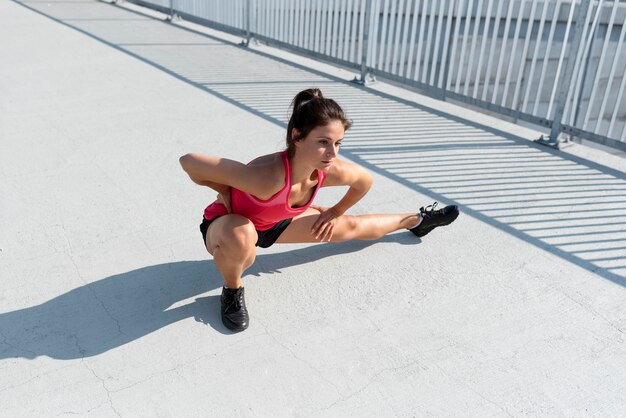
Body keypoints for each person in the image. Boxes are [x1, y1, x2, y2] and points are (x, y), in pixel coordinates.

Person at [179, 88, 459, 332]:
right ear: (297, 136)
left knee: (351, 227)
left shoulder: (326, 171)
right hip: (229, 226)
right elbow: (189, 161)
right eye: (323, 142)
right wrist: (226, 189)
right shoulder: (265, 178)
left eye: (337, 143)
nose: (332, 153)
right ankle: (232, 289)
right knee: (242, 240)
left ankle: (418, 220)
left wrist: (336, 211)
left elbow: (364, 181)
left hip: (277, 222)